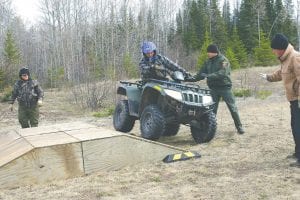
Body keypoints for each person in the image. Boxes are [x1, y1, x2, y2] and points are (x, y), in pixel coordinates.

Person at [260, 33, 300, 167]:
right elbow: (281, 73)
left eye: (274, 49)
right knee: (295, 127)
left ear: (281, 48)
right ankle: (297, 152)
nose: (272, 51)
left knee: (298, 128)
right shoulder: (286, 59)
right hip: (294, 100)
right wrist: (268, 77)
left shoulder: (295, 57)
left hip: (298, 100)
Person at [187, 44, 245, 134]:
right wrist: (189, 79)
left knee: (232, 108)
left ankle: (239, 127)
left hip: (225, 88)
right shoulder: (208, 62)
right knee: (211, 111)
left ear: (214, 52)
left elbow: (223, 73)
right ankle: (209, 130)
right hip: (213, 89)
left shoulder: (224, 60)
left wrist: (209, 76)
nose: (207, 54)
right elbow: (200, 74)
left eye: (209, 52)